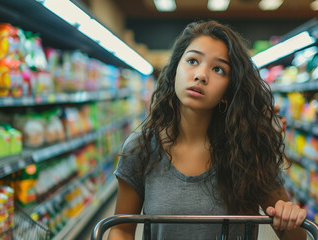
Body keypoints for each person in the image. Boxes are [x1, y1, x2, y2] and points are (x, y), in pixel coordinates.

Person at [108, 20, 307, 240]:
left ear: (228, 90)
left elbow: (295, 237)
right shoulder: (141, 147)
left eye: (218, 69)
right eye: (192, 61)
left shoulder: (249, 148)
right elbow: (121, 229)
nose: (201, 75)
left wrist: (290, 216)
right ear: (175, 71)